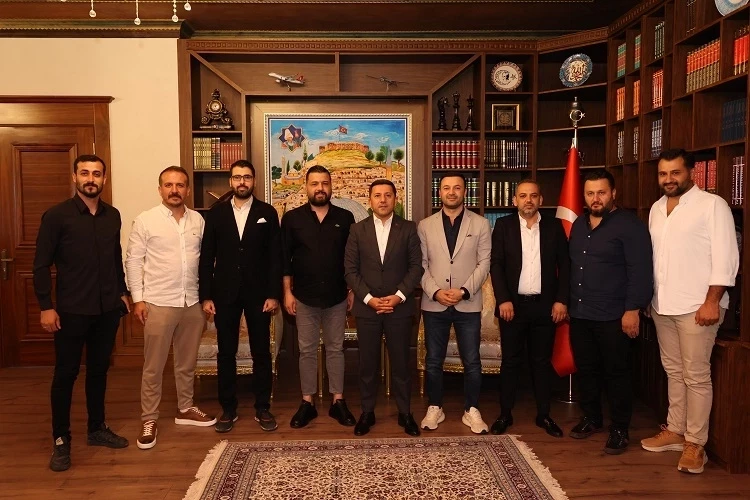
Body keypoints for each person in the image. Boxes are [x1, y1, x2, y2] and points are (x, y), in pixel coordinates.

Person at [640, 149, 739, 474]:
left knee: (696, 375)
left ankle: (696, 444)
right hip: (662, 305)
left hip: (698, 307)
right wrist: (649, 298)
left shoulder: (713, 205)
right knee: (673, 371)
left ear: (691, 172)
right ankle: (676, 430)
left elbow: (726, 257)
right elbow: (656, 259)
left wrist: (712, 301)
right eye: (663, 174)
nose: (669, 179)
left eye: (675, 172)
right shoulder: (656, 209)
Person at [34, 154, 130, 472]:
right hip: (71, 310)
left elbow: (115, 258)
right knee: (66, 375)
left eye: (97, 173)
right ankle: (61, 440)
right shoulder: (56, 216)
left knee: (99, 371)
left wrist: (122, 292)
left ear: (105, 179)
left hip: (107, 309)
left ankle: (97, 428)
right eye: (85, 173)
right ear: (74, 177)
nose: (91, 179)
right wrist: (46, 306)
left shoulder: (112, 215)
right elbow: (40, 265)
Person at [125, 166, 216, 450]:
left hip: (192, 302)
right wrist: (138, 299)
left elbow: (207, 261)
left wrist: (207, 297)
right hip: (158, 302)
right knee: (153, 366)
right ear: (160, 189)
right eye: (168, 185)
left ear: (187, 190)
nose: (174, 190)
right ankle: (149, 418)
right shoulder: (146, 220)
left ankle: (185, 408)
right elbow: (133, 261)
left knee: (186, 363)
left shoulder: (198, 220)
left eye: (180, 185)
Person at [568, 169, 652, 454]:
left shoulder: (630, 225)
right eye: (590, 193)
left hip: (614, 315)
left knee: (617, 373)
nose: (596, 198)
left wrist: (632, 309)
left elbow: (640, 270)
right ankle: (592, 418)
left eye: (601, 192)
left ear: (613, 193)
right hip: (580, 312)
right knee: (587, 370)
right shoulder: (579, 224)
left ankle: (619, 428)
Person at [198, 160, 281, 433]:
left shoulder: (267, 212)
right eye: (237, 177)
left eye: (246, 177)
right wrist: (206, 296)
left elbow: (275, 257)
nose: (242, 182)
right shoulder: (216, 213)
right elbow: (207, 256)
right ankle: (228, 408)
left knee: (261, 352)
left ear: (253, 181)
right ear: (230, 182)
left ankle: (262, 407)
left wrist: (274, 294)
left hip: (259, 294)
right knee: (226, 352)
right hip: (224, 293)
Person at [489, 179, 570, 438]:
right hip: (512, 307)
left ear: (540, 200)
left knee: (541, 363)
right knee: (510, 362)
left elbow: (566, 266)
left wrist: (561, 300)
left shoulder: (554, 227)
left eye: (533, 196)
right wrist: (503, 299)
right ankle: (505, 414)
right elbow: (496, 265)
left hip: (545, 307)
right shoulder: (503, 226)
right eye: (523, 196)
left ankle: (544, 414)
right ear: (515, 200)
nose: (528, 200)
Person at [344, 179, 423, 437]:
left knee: (401, 364)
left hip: (399, 308)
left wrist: (398, 296)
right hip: (367, 309)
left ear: (395, 199)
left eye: (387, 195)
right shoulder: (357, 230)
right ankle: (367, 413)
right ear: (370, 200)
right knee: (367, 365)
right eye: (377, 195)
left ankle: (405, 413)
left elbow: (416, 267)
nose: (382, 200)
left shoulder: (408, 228)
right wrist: (368, 298)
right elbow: (350, 270)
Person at [281, 165, 356, 428]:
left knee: (336, 349)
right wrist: (287, 292)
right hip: (304, 296)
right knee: (307, 351)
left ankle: (338, 401)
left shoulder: (345, 218)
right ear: (306, 187)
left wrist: (351, 290)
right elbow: (285, 259)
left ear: (331, 186)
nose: (320, 188)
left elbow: (351, 259)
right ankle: (307, 402)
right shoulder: (292, 219)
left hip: (337, 296)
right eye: (314, 183)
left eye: (324, 183)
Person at [418, 174, 491, 434]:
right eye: (447, 188)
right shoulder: (425, 225)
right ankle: (435, 407)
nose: (452, 192)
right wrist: (436, 291)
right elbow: (420, 265)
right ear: (439, 192)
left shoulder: (481, 224)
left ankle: (471, 409)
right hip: (434, 302)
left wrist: (463, 291)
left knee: (472, 360)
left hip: (467, 303)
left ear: (464, 192)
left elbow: (484, 263)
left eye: (457, 188)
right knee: (433, 360)